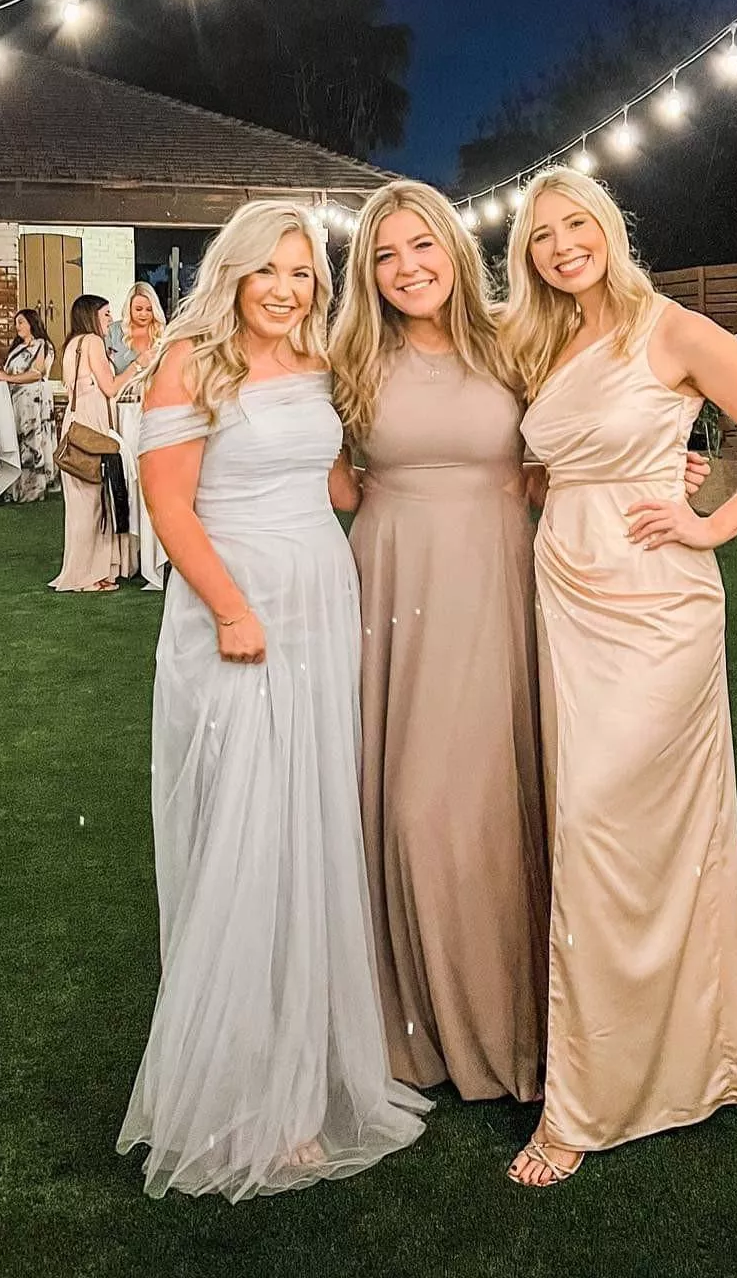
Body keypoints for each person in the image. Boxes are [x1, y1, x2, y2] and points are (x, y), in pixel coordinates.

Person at [500, 170, 737, 1188]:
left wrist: (710, 521)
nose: (563, 246)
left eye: (577, 225)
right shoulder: (543, 342)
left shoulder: (675, 329)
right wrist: (623, 466)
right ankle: (669, 1064)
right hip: (566, 595)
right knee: (594, 827)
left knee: (608, 824)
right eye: (542, 236)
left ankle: (588, 1106)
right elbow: (548, 471)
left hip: (656, 604)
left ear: (609, 228)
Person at [117, 200, 428, 1200]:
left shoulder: (320, 363)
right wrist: (231, 610)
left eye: (304, 274)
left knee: (306, 826)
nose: (287, 290)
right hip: (237, 607)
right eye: (270, 272)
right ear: (235, 275)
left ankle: (305, 1069)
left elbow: (342, 488)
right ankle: (246, 1094)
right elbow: (168, 505)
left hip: (321, 599)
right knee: (245, 831)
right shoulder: (189, 361)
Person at [330, 179, 550, 1106]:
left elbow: (553, 462)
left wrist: (656, 469)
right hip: (391, 589)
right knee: (411, 806)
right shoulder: (347, 357)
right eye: (385, 255)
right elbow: (336, 483)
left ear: (456, 252)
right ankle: (409, 1021)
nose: (406, 268)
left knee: (493, 802)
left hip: (498, 584)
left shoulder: (514, 342)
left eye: (422, 246)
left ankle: (516, 1020)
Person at [50, 296, 134, 592]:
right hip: (91, 425)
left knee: (81, 506)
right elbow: (110, 388)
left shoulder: (72, 344)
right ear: (92, 316)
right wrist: (136, 367)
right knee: (93, 504)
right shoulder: (93, 342)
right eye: (106, 314)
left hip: (74, 424)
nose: (111, 319)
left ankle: (87, 571)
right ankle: (88, 576)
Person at [0, 308, 56, 503]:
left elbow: (37, 373)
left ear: (32, 323)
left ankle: (33, 489)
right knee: (17, 440)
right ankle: (15, 487)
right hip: (16, 400)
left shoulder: (42, 345)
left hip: (33, 400)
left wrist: (8, 378)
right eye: (16, 323)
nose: (17, 326)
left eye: (21, 322)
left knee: (33, 441)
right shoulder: (18, 347)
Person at [107, 281, 167, 388]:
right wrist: (137, 364)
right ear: (129, 308)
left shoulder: (164, 333)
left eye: (149, 309)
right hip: (120, 395)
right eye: (138, 309)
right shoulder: (113, 331)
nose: (143, 314)